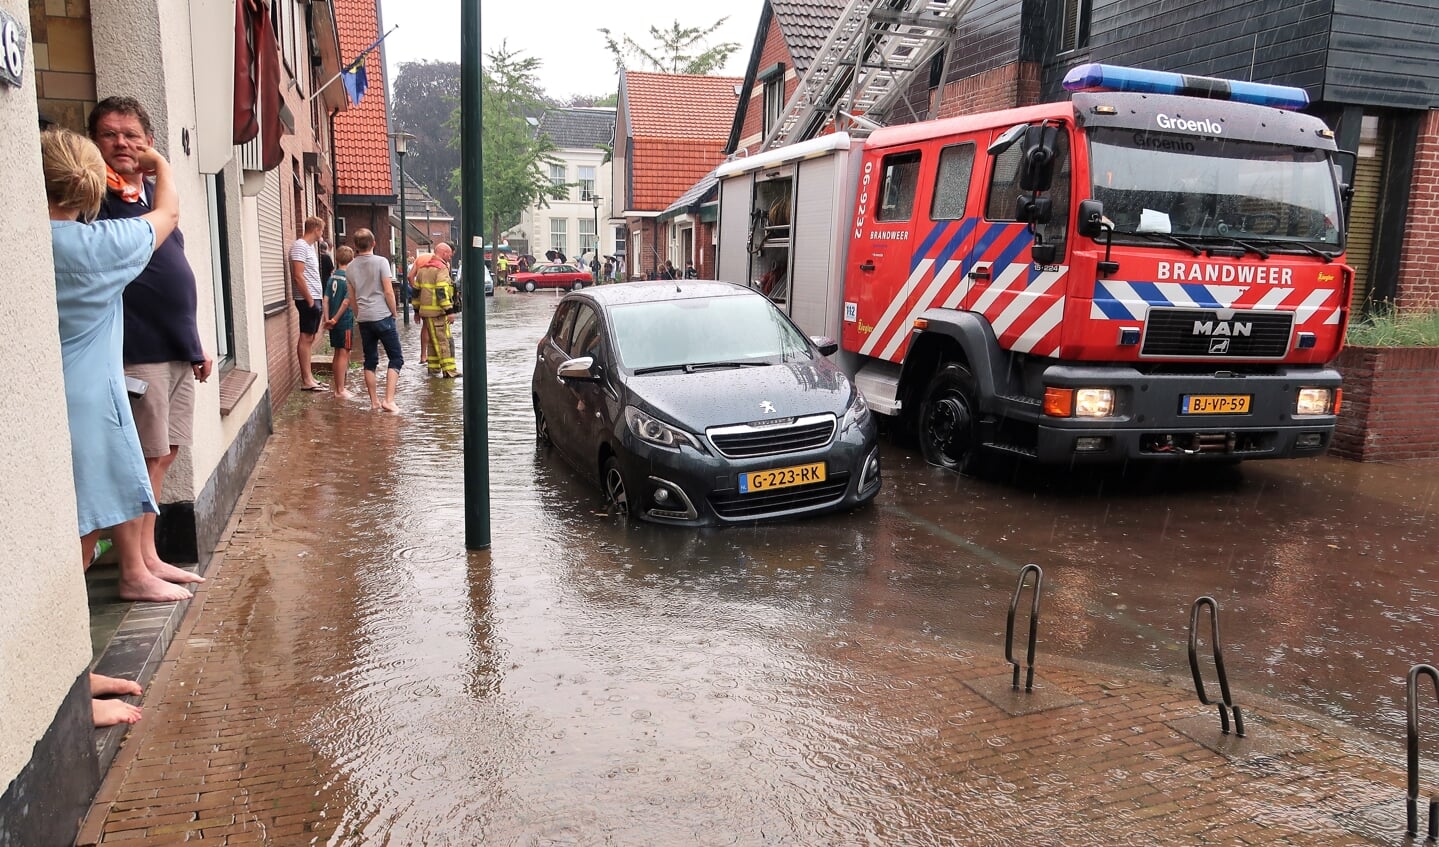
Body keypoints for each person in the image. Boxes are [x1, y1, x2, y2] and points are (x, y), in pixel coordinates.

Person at [45, 128, 181, 726]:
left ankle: (74, 671)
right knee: (71, 549)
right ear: (95, 182)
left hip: (47, 404)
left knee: (73, 543)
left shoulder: (28, 240)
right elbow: (168, 213)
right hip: (82, 411)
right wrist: (156, 163)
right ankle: (66, 700)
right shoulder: (95, 246)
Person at [90, 96, 209, 602]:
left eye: (132, 135)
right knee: (139, 458)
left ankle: (149, 555)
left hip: (175, 346)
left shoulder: (149, 197)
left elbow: (173, 270)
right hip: (136, 349)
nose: (122, 143)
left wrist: (196, 343)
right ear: (93, 143)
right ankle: (133, 572)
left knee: (163, 455)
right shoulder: (94, 196)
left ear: (149, 142)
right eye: (110, 134)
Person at [346, 228, 403, 412]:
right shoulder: (381, 262)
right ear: (374, 243)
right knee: (396, 358)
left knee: (370, 360)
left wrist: (358, 314)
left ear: (355, 246)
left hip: (364, 318)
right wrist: (393, 312)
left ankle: (374, 402)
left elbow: (352, 297)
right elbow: (388, 291)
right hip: (382, 315)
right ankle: (389, 400)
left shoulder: (350, 267)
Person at [413, 242, 461, 378]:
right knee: (444, 340)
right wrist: (449, 311)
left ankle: (434, 370)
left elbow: (416, 291)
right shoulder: (441, 268)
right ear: (444, 253)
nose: (450, 257)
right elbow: (441, 291)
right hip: (438, 312)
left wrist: (416, 311)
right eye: (450, 255)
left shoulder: (423, 268)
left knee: (433, 342)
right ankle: (449, 371)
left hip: (426, 312)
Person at [291, 215, 327, 391]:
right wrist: (310, 299)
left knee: (310, 337)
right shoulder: (300, 246)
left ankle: (310, 377)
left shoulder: (309, 248)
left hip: (314, 297)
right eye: (322, 230)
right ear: (316, 229)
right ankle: (306, 379)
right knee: (306, 337)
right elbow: (298, 274)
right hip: (307, 299)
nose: (322, 234)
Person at [323, 245, 355, 400]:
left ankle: (338, 387)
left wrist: (327, 319)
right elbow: (346, 302)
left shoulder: (332, 277)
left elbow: (326, 300)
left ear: (336, 259)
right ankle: (340, 390)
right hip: (344, 321)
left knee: (337, 353)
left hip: (332, 323)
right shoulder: (349, 279)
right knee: (344, 353)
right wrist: (336, 319)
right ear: (352, 260)